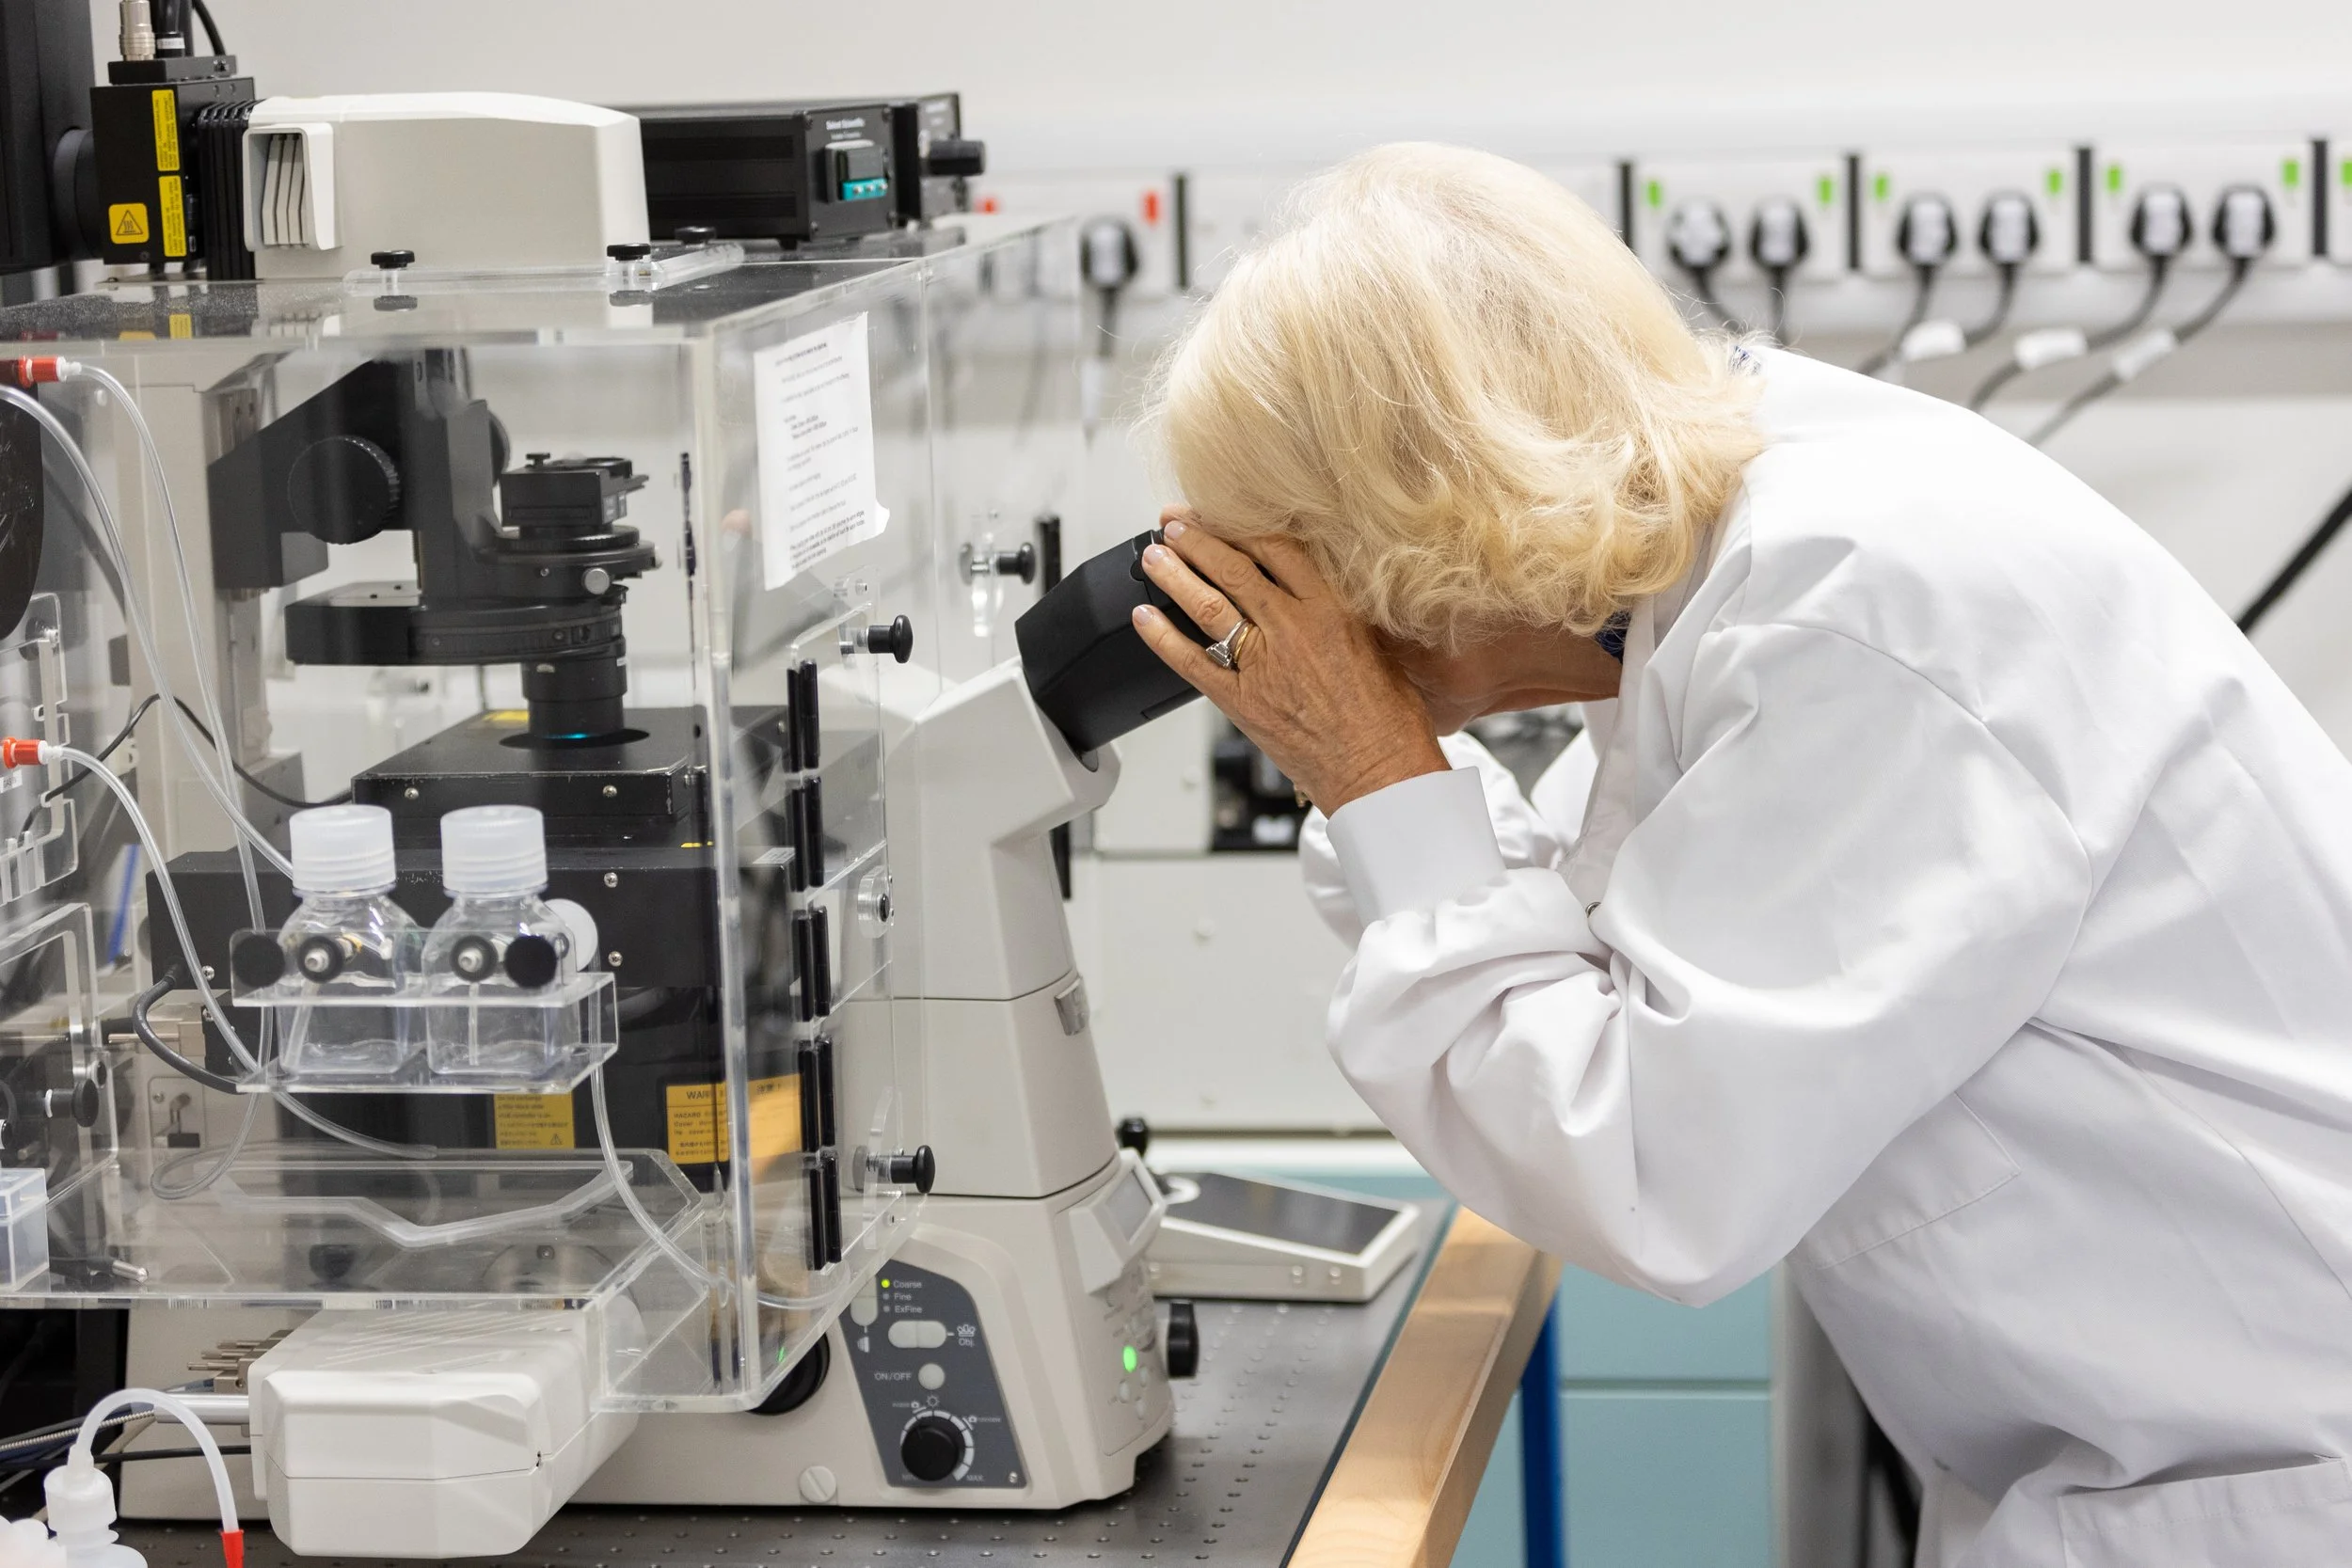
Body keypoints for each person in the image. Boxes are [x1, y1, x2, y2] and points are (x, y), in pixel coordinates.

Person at [1128, 142, 2352, 1566]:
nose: (1299, 615)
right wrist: (1374, 759)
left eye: (1297, 563)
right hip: (2152, 1459)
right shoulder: (1728, 546)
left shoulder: (1854, 609)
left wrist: (1367, 759)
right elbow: (1588, 930)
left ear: (1405, 534)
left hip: (2265, 1486)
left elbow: (1653, 1171)